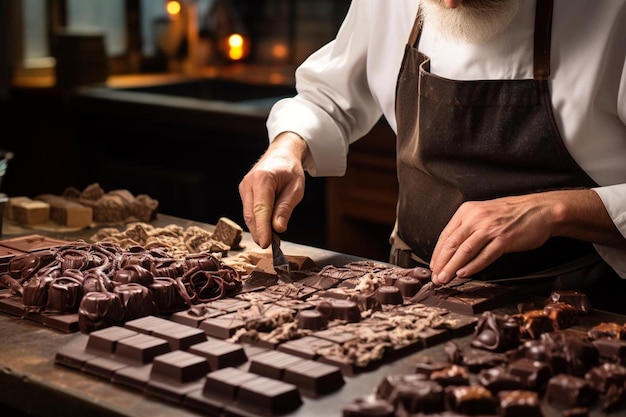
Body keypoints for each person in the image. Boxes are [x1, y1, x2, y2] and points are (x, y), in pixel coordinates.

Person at [239, 0, 626, 312]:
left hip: (577, 304)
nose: (450, 2)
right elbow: (330, 97)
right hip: (415, 292)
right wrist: (287, 147)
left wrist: (555, 210)